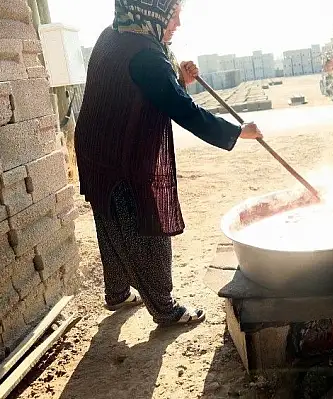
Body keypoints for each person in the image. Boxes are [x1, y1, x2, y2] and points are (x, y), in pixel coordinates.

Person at [74, 0, 262, 327]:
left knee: (110, 222)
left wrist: (177, 76)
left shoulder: (114, 34)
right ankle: (165, 309)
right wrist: (237, 132)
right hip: (120, 157)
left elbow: (147, 87)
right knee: (146, 230)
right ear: (154, 13)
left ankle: (117, 293)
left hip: (96, 148)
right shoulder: (146, 56)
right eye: (173, 16)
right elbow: (184, 110)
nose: (177, 24)